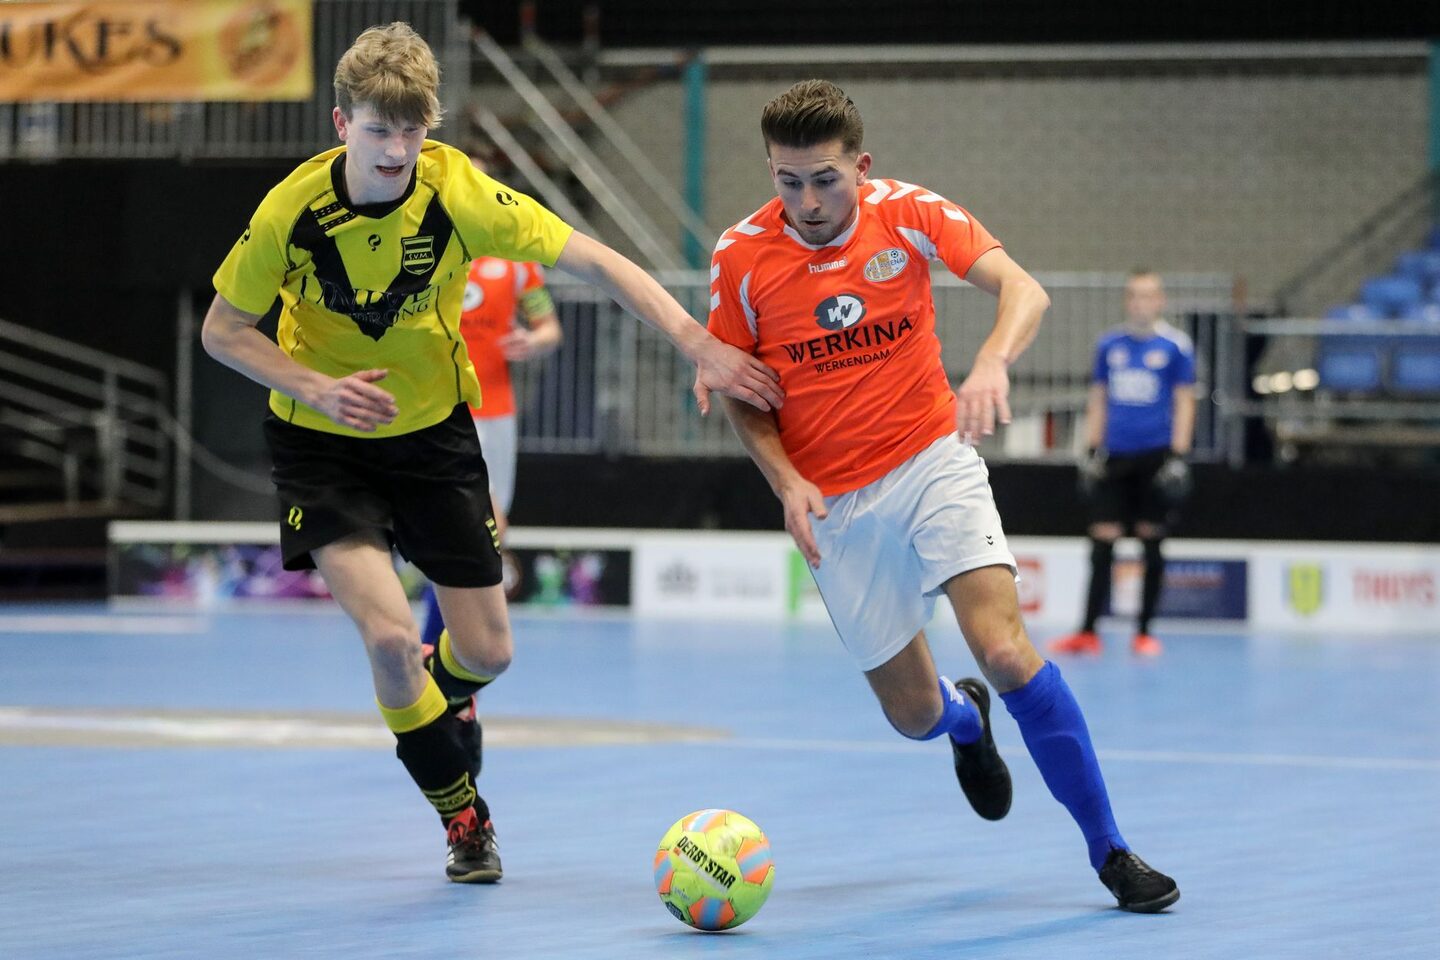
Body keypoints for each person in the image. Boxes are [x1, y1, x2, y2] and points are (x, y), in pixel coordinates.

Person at [202, 22, 781, 885]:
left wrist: (698, 341)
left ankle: (441, 704)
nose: (396, 151)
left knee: (488, 652)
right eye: (378, 130)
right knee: (391, 639)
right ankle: (464, 820)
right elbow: (222, 332)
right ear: (341, 124)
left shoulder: (459, 192)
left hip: (433, 439)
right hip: (322, 445)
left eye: (412, 131)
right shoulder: (290, 212)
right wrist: (315, 386)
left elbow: (597, 261)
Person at [704, 79, 1178, 912]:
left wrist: (991, 362)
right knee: (913, 714)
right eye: (788, 181)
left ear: (862, 167)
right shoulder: (740, 257)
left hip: (931, 459)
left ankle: (1111, 850)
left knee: (1006, 650)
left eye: (824, 180)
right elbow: (742, 394)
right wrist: (787, 480)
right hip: (832, 503)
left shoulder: (910, 213)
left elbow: (1024, 290)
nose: (807, 203)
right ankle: (965, 721)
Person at [417, 156, 562, 655]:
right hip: (436, 408)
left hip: (495, 411)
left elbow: (549, 327)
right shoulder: (421, 250)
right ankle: (444, 645)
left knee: (490, 527)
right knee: (467, 521)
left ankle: (447, 646)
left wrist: (533, 340)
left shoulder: (517, 262)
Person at [1050, 270, 1196, 657]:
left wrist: (1178, 455)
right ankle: (1088, 631)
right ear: (1126, 301)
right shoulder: (1109, 345)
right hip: (1115, 456)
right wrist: (1091, 448)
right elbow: (1098, 397)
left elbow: (1184, 401)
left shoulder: (1176, 346)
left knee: (1151, 538)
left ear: (1160, 301)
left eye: (1148, 296)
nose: (1140, 303)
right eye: (1134, 295)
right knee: (1102, 538)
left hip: (1156, 456)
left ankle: (1145, 632)